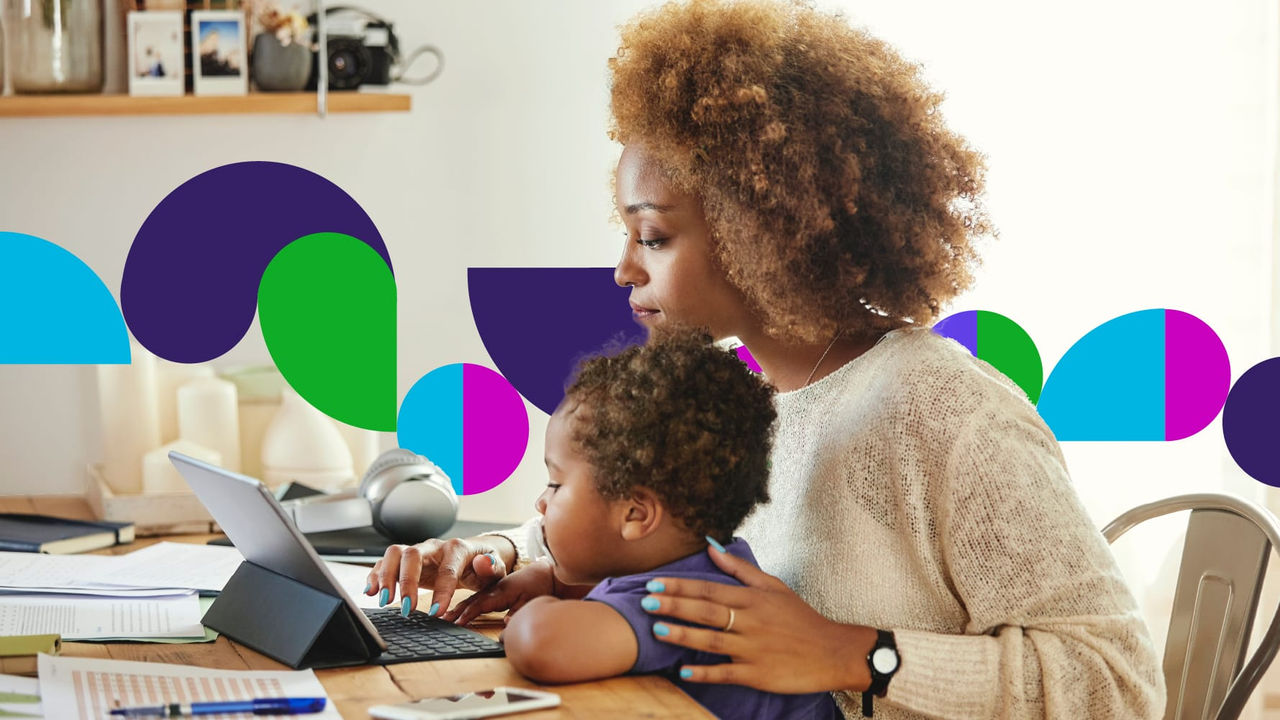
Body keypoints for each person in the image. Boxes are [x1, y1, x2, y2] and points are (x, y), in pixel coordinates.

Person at [367, 1, 1163, 716]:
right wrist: (503, 553)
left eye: (654, 237)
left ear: (766, 230)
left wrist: (859, 655)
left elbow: (1120, 683)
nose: (624, 269)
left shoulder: (946, 410)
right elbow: (648, 526)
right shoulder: (749, 399)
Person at [481, 332, 838, 719]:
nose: (541, 502)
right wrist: (552, 582)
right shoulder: (721, 565)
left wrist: (532, 614)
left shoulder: (683, 601)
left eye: (556, 483)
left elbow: (542, 643)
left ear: (636, 515)